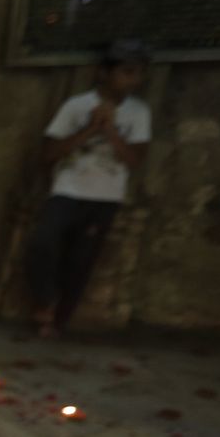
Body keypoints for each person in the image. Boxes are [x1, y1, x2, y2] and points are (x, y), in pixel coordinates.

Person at [25, 39, 152, 338]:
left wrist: (110, 131)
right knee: (43, 243)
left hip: (105, 196)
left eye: (138, 73)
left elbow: (135, 160)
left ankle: (57, 321)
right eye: (127, 72)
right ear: (104, 73)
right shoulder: (76, 106)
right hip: (67, 190)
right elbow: (48, 152)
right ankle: (44, 300)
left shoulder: (139, 112)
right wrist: (90, 129)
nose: (133, 80)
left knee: (81, 260)